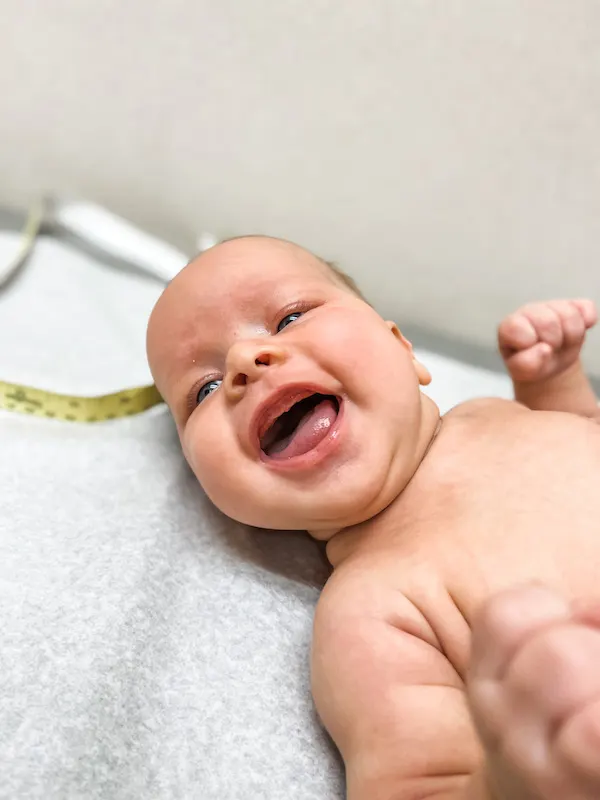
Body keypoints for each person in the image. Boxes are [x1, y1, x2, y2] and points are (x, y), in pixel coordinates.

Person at [146, 235, 600, 800]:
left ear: (402, 347)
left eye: (288, 318)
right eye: (204, 389)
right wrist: (522, 776)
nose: (245, 361)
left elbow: (581, 437)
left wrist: (551, 386)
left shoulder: (498, 414)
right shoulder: (368, 616)